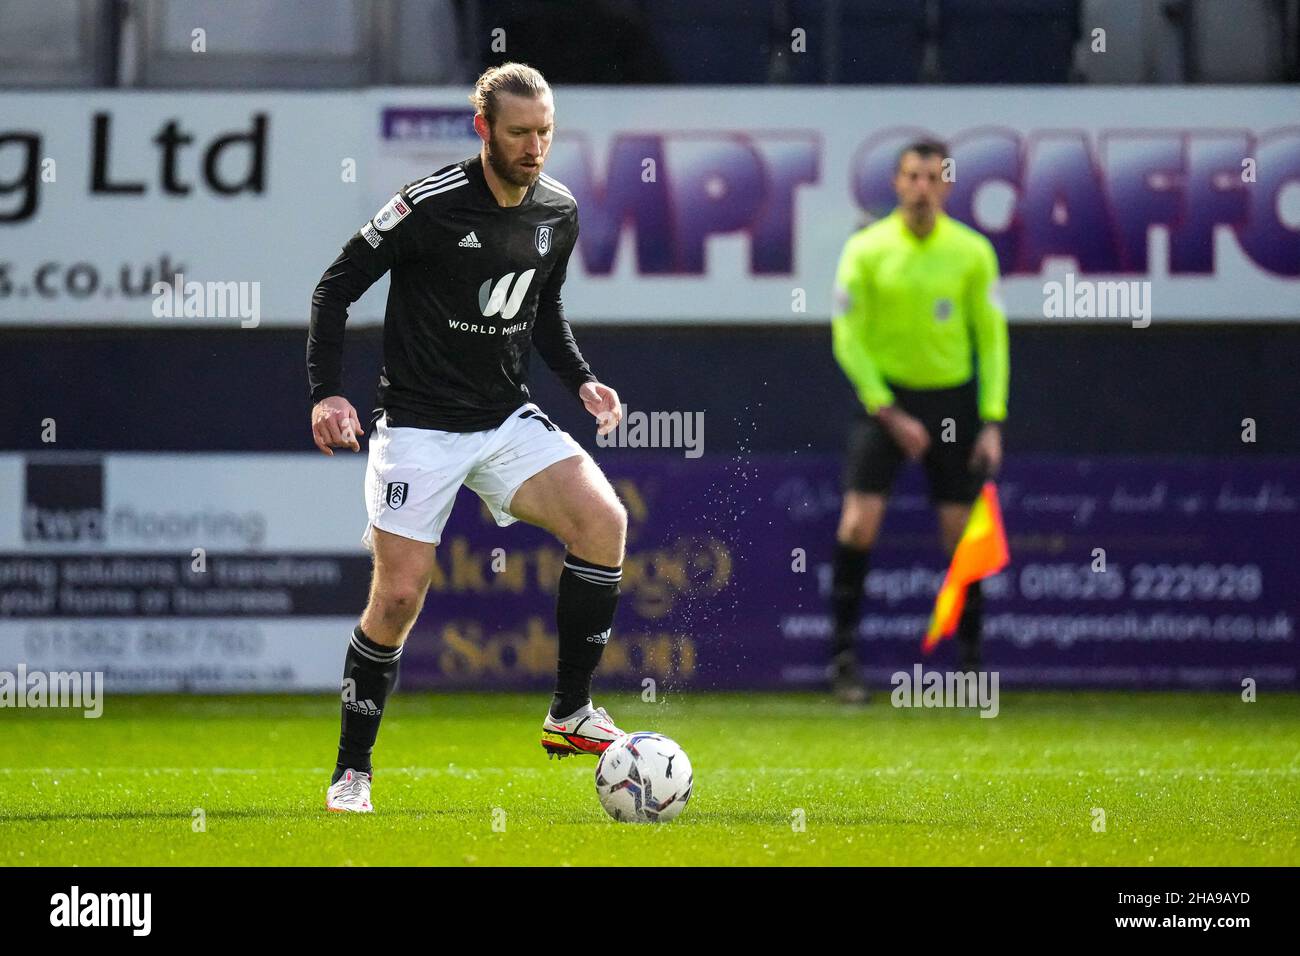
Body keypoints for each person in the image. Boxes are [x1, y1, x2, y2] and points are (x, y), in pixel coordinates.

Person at [307, 62, 627, 813]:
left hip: (504, 418)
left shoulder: (558, 210)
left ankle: (570, 714)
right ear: (484, 129)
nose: (535, 146)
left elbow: (543, 306)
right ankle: (352, 768)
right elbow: (335, 286)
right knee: (398, 598)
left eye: (545, 131)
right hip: (419, 426)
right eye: (519, 132)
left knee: (603, 522)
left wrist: (579, 378)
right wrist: (326, 393)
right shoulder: (429, 206)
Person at [828, 139, 1009, 702]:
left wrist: (992, 418)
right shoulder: (865, 248)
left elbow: (993, 340)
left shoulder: (973, 252)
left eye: (934, 177)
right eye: (913, 176)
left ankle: (972, 664)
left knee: (961, 535)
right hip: (883, 404)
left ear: (947, 186)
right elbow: (846, 335)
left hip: (953, 405)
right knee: (858, 523)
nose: (923, 187)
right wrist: (887, 409)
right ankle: (843, 662)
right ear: (897, 184)